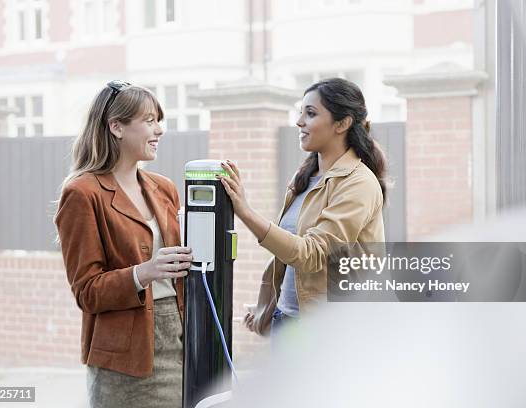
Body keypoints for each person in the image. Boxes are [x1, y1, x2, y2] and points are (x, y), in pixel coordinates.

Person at [54, 81, 192, 408]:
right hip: (124, 359)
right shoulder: (82, 193)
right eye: (149, 120)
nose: (159, 130)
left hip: (178, 339)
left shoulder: (164, 188)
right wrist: (143, 273)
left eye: (159, 120)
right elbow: (87, 291)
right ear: (116, 127)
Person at [218, 78, 387, 342]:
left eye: (310, 114)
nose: (299, 122)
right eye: (300, 113)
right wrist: (270, 305)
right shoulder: (306, 176)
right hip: (287, 322)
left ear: (342, 124)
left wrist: (246, 212)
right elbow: (291, 259)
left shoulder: (359, 184)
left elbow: (312, 254)